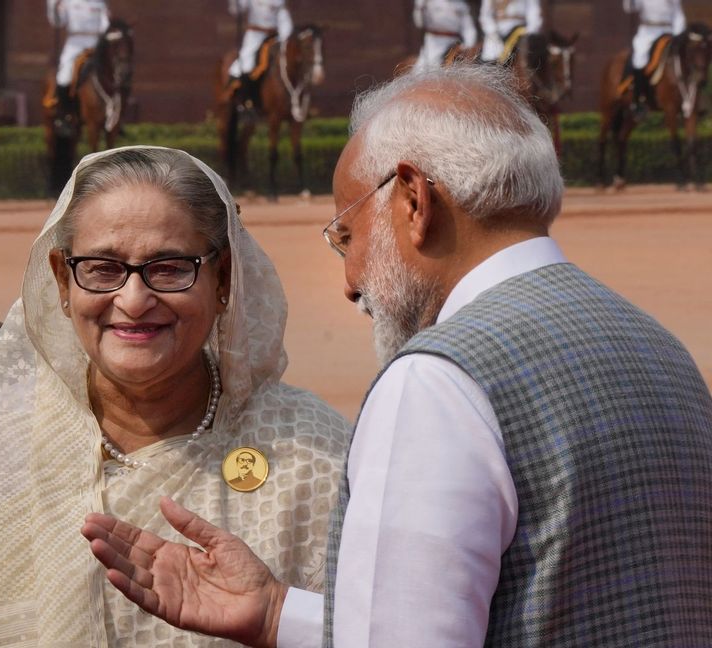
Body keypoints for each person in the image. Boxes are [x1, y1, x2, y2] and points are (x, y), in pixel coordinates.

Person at [82, 64, 712, 647]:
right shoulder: (658, 346)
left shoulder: (438, 380)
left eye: (347, 236)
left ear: (413, 200)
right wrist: (276, 610)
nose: (351, 282)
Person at [0, 146, 351, 647]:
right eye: (101, 268)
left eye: (169, 267)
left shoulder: (311, 450)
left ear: (223, 278)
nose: (134, 301)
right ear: (61, 280)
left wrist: (273, 616)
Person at [47, 0, 110, 134]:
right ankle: (64, 116)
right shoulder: (69, 2)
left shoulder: (99, 3)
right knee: (63, 78)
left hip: (96, 44)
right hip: (75, 43)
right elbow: (57, 22)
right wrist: (54, 6)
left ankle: (114, 117)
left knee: (113, 73)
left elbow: (105, 25)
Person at [624, 0, 687, 115]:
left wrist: (679, 34)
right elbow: (629, 8)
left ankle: (687, 100)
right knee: (639, 60)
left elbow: (678, 14)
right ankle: (638, 99)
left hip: (669, 31)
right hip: (648, 31)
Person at [227, 0, 293, 110]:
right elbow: (237, 9)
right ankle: (243, 98)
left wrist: (285, 37)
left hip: (274, 37)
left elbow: (284, 18)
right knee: (246, 65)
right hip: (255, 35)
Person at [411, 0, 478, 73]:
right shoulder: (430, 2)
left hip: (452, 42)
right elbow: (419, 23)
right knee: (422, 68)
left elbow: (468, 28)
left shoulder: (461, 5)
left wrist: (468, 45)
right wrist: (419, 7)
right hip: (432, 41)